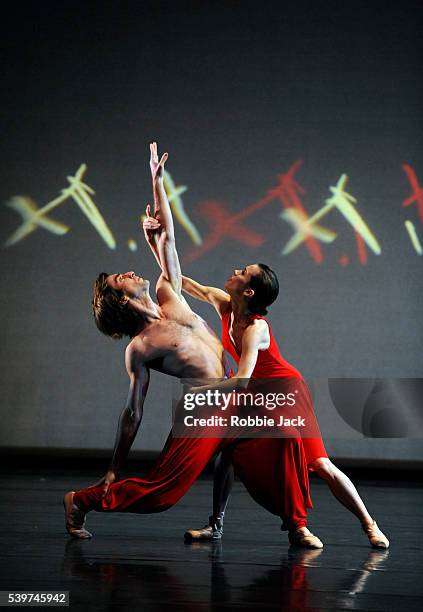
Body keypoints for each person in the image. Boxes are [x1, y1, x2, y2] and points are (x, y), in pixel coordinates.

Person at [63, 143, 320, 548]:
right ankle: (82, 500)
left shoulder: (170, 294)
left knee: (285, 439)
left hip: (232, 395)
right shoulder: (141, 347)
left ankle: (294, 525)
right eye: (121, 279)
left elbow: (168, 235)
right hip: (202, 411)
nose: (129, 273)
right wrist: (114, 468)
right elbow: (133, 412)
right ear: (121, 300)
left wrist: (156, 180)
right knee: (163, 493)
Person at [168, 262, 389, 549]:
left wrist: (202, 391)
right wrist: (158, 245)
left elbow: (243, 380)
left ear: (248, 291)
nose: (235, 270)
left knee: (320, 463)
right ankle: (216, 524)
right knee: (227, 451)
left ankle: (369, 524)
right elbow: (184, 283)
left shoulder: (255, 328)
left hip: (283, 390)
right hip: (253, 391)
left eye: (243, 272)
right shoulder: (224, 305)